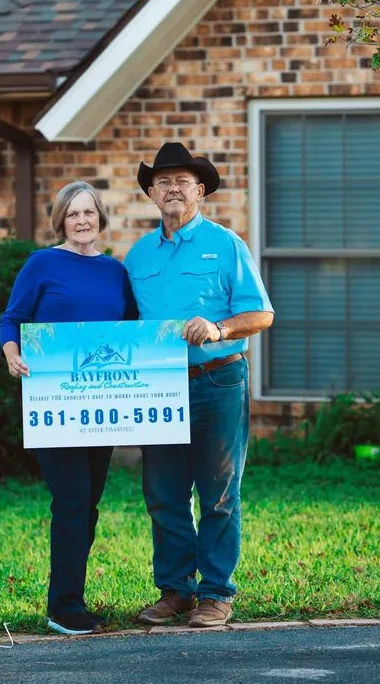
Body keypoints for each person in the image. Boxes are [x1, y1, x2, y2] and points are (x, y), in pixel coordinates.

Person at [124, 142, 274, 629]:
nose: (173, 188)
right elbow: (122, 325)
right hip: (158, 386)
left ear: (200, 191)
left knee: (219, 493)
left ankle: (215, 593)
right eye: (163, 181)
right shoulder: (137, 256)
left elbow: (262, 314)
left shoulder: (226, 245)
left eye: (183, 181)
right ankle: (176, 591)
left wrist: (219, 328)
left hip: (218, 380)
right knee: (164, 493)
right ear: (151, 193)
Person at [0, 180, 137, 636]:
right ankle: (62, 607)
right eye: (73, 213)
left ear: (100, 218)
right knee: (71, 501)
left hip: (103, 404)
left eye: (89, 212)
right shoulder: (42, 264)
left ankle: (73, 598)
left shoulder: (115, 272)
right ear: (61, 220)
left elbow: (131, 331)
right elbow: (12, 318)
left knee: (89, 504)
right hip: (55, 402)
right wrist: (11, 352)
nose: (82, 221)